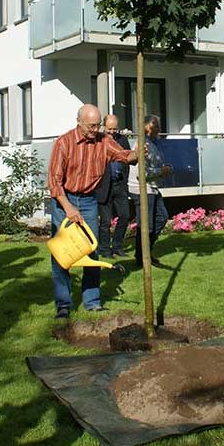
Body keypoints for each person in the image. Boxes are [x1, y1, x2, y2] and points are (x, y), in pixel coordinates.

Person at [47, 104, 139, 318]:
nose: (95, 130)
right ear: (78, 122)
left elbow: (124, 156)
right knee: (62, 253)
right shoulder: (64, 143)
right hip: (64, 199)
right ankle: (63, 305)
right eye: (91, 126)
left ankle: (92, 301)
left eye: (98, 125)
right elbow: (54, 183)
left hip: (89, 200)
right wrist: (68, 208)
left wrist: (138, 154)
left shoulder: (103, 140)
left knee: (91, 249)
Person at [129, 115, 172, 268]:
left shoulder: (152, 143)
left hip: (152, 187)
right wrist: (161, 171)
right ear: (147, 126)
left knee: (162, 217)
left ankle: (145, 252)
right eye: (156, 126)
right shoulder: (142, 144)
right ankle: (142, 257)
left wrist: (164, 169)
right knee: (146, 225)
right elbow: (142, 172)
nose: (158, 129)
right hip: (142, 188)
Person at [95, 114, 131, 258]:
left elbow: (127, 160)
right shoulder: (98, 140)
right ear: (104, 127)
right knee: (105, 221)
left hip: (119, 184)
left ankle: (117, 246)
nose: (111, 132)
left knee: (125, 216)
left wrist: (125, 180)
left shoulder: (122, 140)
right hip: (104, 186)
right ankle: (104, 249)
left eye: (114, 129)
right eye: (109, 129)